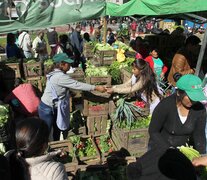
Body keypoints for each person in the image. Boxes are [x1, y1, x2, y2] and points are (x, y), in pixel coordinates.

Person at [127, 74, 207, 180]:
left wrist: (201, 155)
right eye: (191, 97)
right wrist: (169, 149)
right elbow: (153, 131)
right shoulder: (165, 106)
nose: (194, 101)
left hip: (181, 152)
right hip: (160, 150)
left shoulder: (199, 110)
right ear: (179, 93)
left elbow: (199, 135)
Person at [38, 53, 106, 141]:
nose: (70, 66)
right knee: (46, 132)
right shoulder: (60, 76)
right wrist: (96, 87)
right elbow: (77, 85)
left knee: (57, 128)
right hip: (47, 108)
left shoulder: (55, 72)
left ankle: (57, 146)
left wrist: (68, 92)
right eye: (68, 64)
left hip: (53, 106)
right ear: (62, 64)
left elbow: (57, 87)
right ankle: (44, 149)